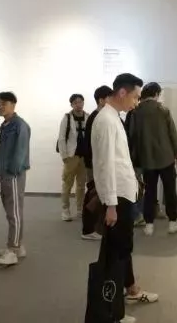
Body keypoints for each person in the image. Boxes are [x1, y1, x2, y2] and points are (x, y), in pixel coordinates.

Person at [90, 73, 158, 323]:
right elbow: (106, 165)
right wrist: (111, 204)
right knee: (116, 252)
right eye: (136, 97)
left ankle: (130, 290)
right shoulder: (107, 121)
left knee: (120, 248)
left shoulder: (113, 118)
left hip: (121, 195)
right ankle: (113, 311)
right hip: (117, 198)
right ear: (122, 93)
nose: (137, 102)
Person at [0, 92, 31, 267]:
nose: (0, 107)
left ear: (13, 104)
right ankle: (17, 247)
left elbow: (21, 151)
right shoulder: (6, 125)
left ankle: (13, 249)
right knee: (10, 211)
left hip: (13, 175)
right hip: (5, 175)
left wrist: (12, 172)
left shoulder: (20, 125)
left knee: (14, 212)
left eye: (3, 103)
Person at [129, 82, 177, 236]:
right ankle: (172, 223)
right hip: (166, 158)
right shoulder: (163, 110)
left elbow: (132, 136)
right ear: (156, 94)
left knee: (149, 192)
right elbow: (172, 133)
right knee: (170, 190)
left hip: (147, 159)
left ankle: (149, 225)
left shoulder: (135, 112)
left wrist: (134, 159)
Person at [79, 85, 112, 240]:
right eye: (109, 98)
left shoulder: (100, 116)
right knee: (93, 195)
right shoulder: (96, 118)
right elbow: (93, 146)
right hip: (94, 164)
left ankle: (95, 227)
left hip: (97, 163)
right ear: (101, 100)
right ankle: (88, 230)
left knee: (98, 195)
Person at [58, 93, 89, 221]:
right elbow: (61, 138)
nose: (78, 105)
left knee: (81, 185)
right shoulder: (67, 118)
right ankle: (65, 209)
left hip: (84, 157)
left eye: (80, 102)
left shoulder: (88, 117)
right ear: (71, 104)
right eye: (75, 102)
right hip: (71, 156)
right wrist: (64, 156)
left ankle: (80, 209)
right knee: (67, 184)